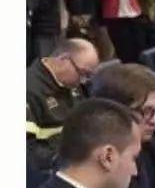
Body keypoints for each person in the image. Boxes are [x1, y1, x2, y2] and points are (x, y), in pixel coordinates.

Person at [27, 38, 100, 173]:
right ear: (63, 59)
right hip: (52, 168)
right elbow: (28, 151)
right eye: (83, 73)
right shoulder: (28, 90)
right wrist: (68, 159)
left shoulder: (72, 83)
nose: (83, 81)